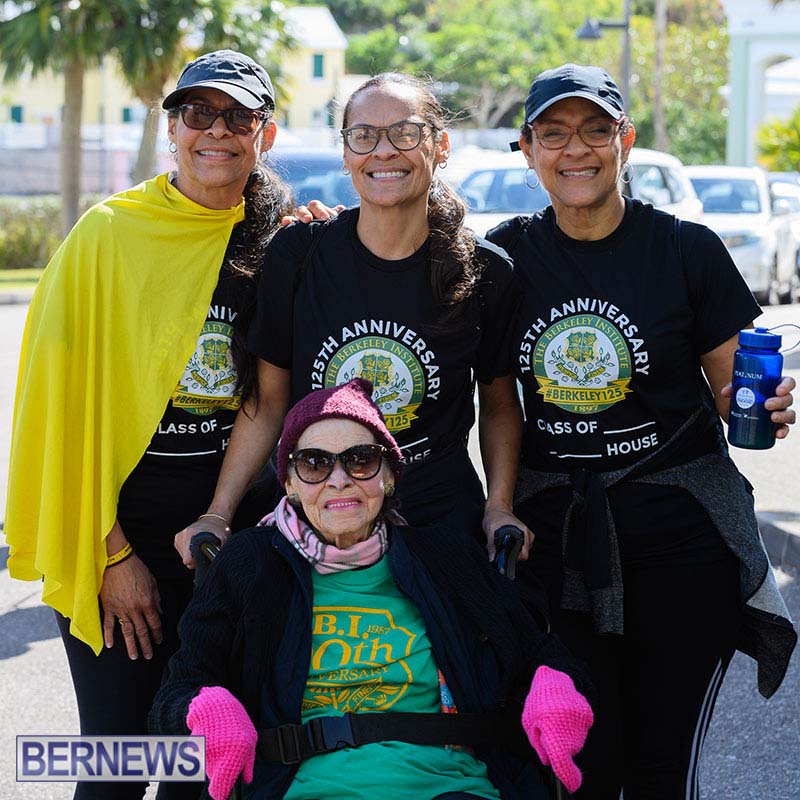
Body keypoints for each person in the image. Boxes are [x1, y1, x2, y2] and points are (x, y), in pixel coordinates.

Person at [4, 50, 335, 800]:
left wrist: (321, 232)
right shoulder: (108, 235)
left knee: (209, 768)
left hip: (237, 546)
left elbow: (279, 391)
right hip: (122, 539)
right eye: (197, 113)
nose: (215, 130)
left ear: (266, 135)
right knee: (118, 762)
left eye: (238, 117)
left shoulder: (277, 243)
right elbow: (58, 411)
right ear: (172, 129)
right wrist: (110, 555)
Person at [485, 63, 797, 800]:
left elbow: (732, 389)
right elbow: (497, 402)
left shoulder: (686, 250)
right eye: (554, 134)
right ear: (527, 149)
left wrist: (761, 405)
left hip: (681, 539)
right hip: (553, 543)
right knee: (573, 766)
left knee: (663, 768)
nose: (576, 149)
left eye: (596, 130)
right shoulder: (505, 256)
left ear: (624, 141)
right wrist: (498, 504)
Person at [150, 378, 595, 800]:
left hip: (450, 787)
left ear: (389, 476)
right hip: (307, 790)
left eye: (360, 460)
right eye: (314, 463)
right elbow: (180, 688)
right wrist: (203, 708)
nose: (338, 479)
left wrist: (555, 684)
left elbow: (542, 654)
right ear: (289, 483)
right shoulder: (252, 564)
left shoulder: (444, 556)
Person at [174, 72, 528, 566]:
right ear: (346, 153)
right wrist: (218, 513)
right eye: (364, 136)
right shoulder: (297, 255)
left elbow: (499, 406)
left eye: (405, 133)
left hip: (439, 525)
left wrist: (499, 507)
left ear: (441, 146)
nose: (383, 151)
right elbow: (267, 404)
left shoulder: (486, 270)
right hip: (318, 527)